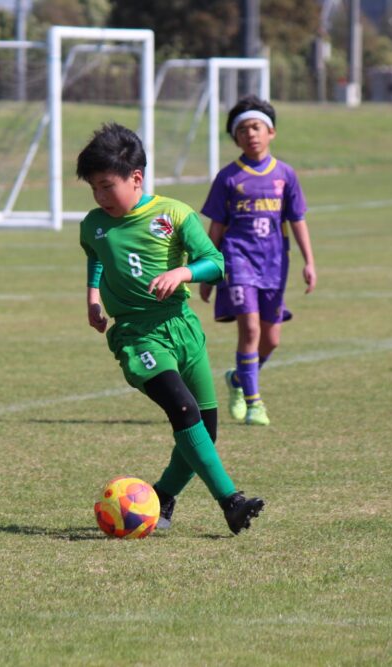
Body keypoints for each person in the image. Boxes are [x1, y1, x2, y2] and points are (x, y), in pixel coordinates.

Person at [77, 122, 264, 535]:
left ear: (136, 178)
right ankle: (231, 502)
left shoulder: (174, 214)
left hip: (182, 328)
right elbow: (96, 254)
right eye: (94, 188)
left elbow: (216, 263)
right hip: (137, 334)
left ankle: (161, 498)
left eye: (107, 186)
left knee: (205, 428)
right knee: (182, 409)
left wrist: (182, 272)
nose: (100, 197)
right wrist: (92, 297)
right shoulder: (93, 224)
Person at [199, 96, 317, 427]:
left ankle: (238, 379)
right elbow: (216, 228)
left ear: (271, 132)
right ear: (235, 139)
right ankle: (254, 403)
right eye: (242, 130)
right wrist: (207, 273)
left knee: (271, 339)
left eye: (256, 127)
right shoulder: (228, 177)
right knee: (249, 329)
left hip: (275, 264)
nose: (250, 134)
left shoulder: (285, 175)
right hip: (238, 260)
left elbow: (297, 220)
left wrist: (309, 262)